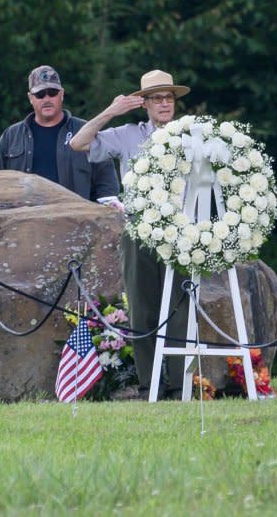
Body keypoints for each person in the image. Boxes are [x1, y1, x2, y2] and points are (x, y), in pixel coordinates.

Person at [71, 70, 192, 399]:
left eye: (169, 98)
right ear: (145, 104)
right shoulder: (127, 134)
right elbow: (78, 142)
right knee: (142, 310)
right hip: (139, 230)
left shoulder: (192, 134)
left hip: (183, 233)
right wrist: (111, 111)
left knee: (181, 309)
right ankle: (150, 386)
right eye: (157, 98)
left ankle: (181, 389)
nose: (164, 104)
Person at [0, 65, 120, 207]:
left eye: (52, 92)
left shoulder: (86, 131)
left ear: (62, 94)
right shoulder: (11, 136)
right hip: (22, 220)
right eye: (40, 94)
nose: (47, 99)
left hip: (76, 220)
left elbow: (107, 186)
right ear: (30, 98)